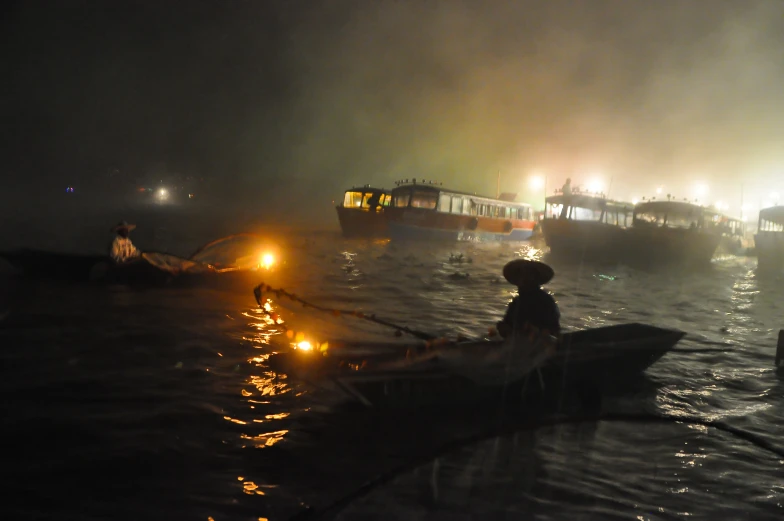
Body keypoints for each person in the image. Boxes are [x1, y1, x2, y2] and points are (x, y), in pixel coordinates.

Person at [495, 259, 560, 338]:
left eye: (528, 276)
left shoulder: (545, 301)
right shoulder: (516, 302)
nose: (524, 279)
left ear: (536, 279)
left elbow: (552, 331)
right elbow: (508, 326)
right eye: (521, 275)